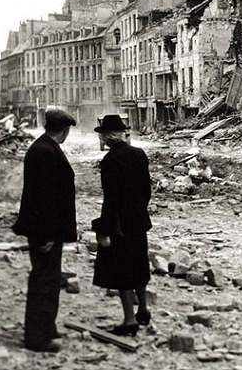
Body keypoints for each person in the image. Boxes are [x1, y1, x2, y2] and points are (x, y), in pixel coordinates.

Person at [12, 108, 77, 353]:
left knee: (47, 279)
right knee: (44, 282)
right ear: (65, 130)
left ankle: (46, 327)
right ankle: (38, 338)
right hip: (45, 231)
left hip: (47, 229)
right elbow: (43, 198)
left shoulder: (43, 148)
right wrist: (47, 234)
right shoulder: (44, 152)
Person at [92, 114, 152, 336]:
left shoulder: (110, 161)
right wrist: (140, 210)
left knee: (122, 269)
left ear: (108, 136)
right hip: (139, 219)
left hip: (120, 223)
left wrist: (104, 229)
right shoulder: (139, 153)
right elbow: (146, 189)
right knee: (139, 263)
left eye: (102, 135)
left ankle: (129, 320)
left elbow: (111, 199)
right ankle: (143, 309)